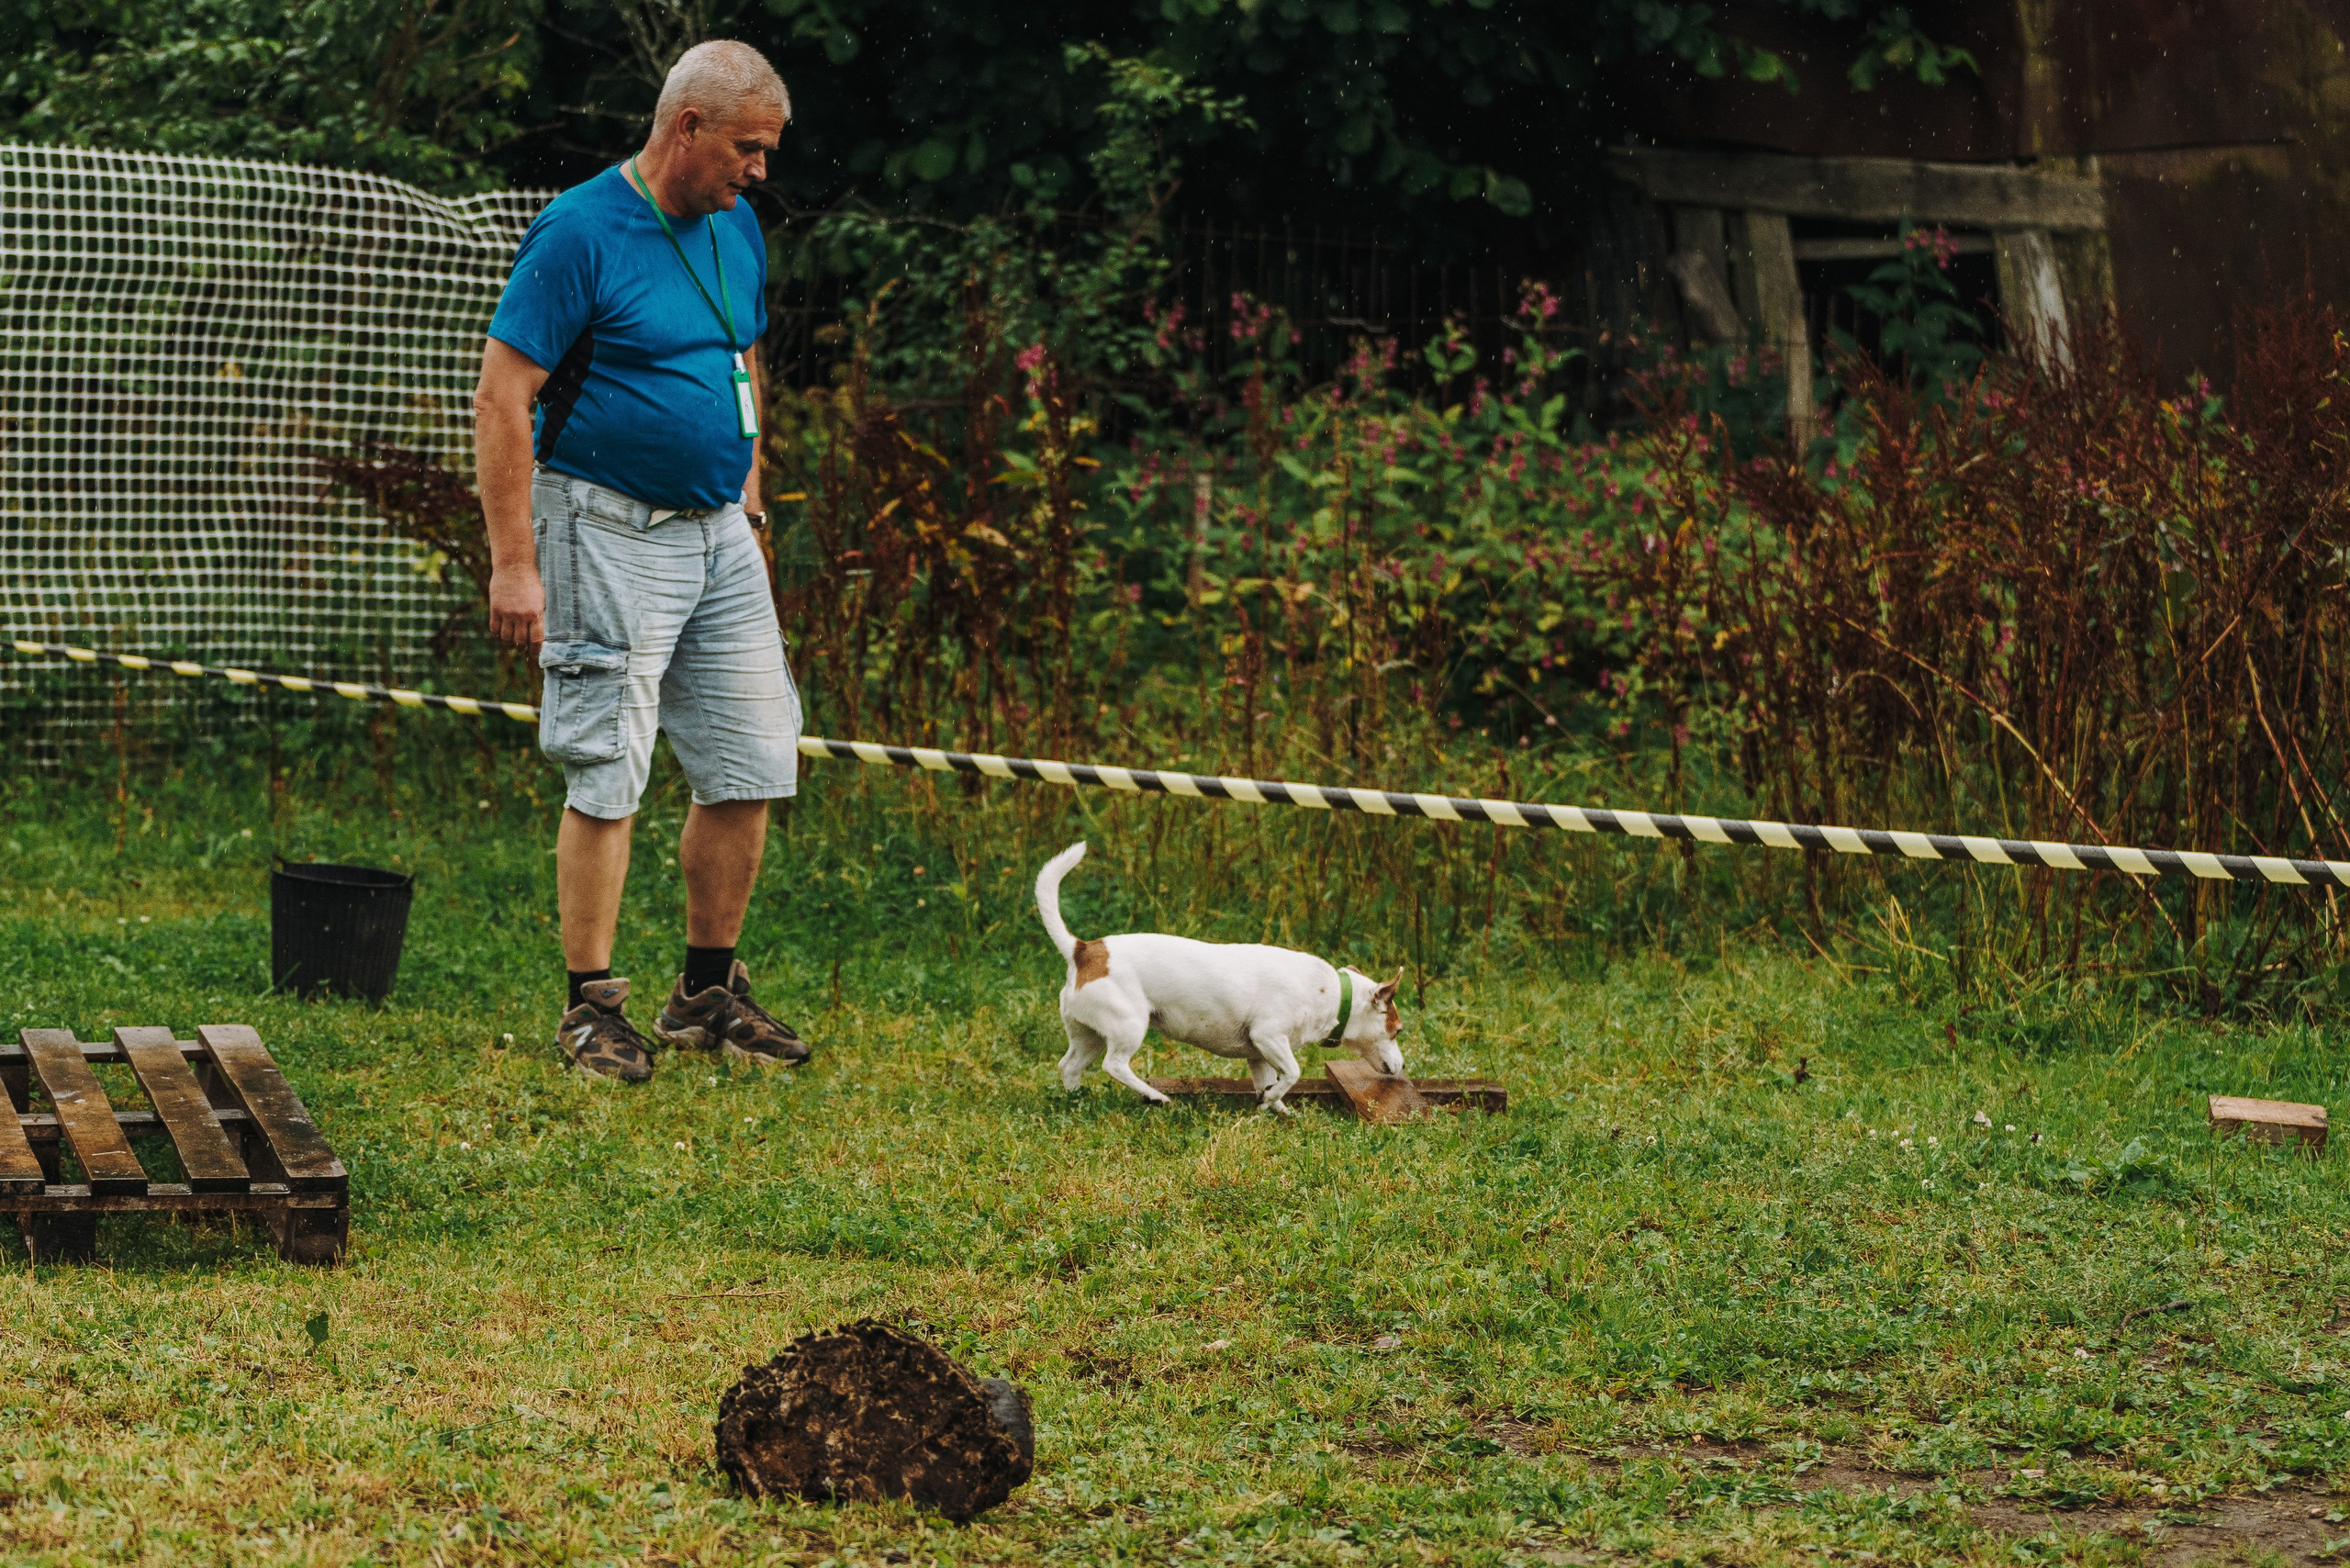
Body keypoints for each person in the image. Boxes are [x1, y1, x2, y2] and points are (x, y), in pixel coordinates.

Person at [473, 39, 811, 1082]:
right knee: (607, 765)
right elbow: (502, 394)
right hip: (603, 526)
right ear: (687, 129)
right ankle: (591, 1007)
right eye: (747, 149)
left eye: (769, 152)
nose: (760, 171)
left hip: (718, 533)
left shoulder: (734, 225)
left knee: (752, 759)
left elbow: (739, 357)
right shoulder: (581, 230)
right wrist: (515, 564)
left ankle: (706, 989)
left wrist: (749, 504)